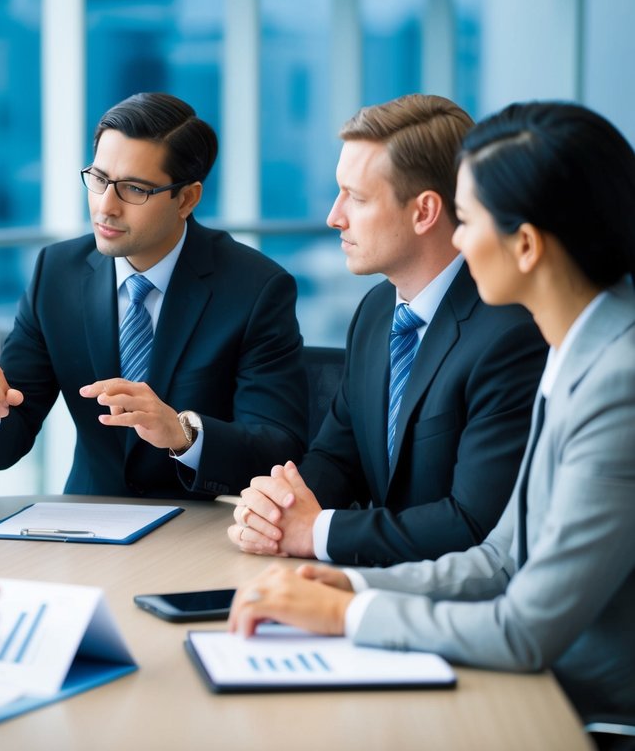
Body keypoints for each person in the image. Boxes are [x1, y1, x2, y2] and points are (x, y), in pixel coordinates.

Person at [228, 101, 635, 726]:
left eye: (467, 220)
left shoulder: (616, 380)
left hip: (582, 708)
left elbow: (525, 628)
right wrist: (354, 586)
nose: (459, 242)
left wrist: (347, 616)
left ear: (525, 246)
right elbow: (502, 558)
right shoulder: (577, 348)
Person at [229, 94, 546, 566]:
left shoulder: (509, 333)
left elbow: (474, 523)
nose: (334, 217)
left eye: (355, 198)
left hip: (453, 605)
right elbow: (339, 458)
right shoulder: (377, 310)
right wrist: (277, 510)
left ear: (424, 212)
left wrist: (316, 532)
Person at [0, 92, 307, 498]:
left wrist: (182, 433)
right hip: (88, 526)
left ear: (187, 198)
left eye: (134, 189)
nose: (106, 207)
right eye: (99, 179)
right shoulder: (56, 273)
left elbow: (278, 448)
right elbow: (12, 428)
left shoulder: (256, 288)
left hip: (203, 530)